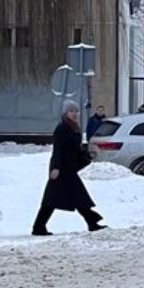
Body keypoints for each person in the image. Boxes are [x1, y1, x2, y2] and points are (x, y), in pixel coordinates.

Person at [32, 100, 107, 236]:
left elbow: (76, 151)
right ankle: (38, 227)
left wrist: (88, 155)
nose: (74, 114)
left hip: (69, 169)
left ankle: (91, 222)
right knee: (53, 199)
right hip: (61, 170)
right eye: (71, 111)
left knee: (75, 197)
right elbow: (58, 150)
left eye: (76, 111)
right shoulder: (62, 128)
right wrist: (55, 168)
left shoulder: (74, 128)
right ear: (65, 113)